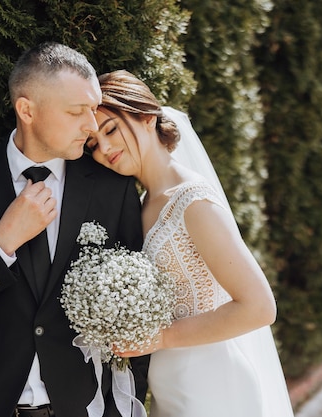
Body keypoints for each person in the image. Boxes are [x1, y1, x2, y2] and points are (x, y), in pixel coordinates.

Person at [0, 44, 149, 417]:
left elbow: (138, 317)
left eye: (93, 108)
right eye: (76, 112)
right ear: (27, 110)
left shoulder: (112, 190)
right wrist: (0, 242)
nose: (91, 125)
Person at [86, 69, 294, 417]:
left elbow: (259, 307)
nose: (104, 148)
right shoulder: (142, 205)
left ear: (147, 117)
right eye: (93, 144)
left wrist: (161, 338)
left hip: (213, 385)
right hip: (172, 387)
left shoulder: (192, 202)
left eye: (110, 130)